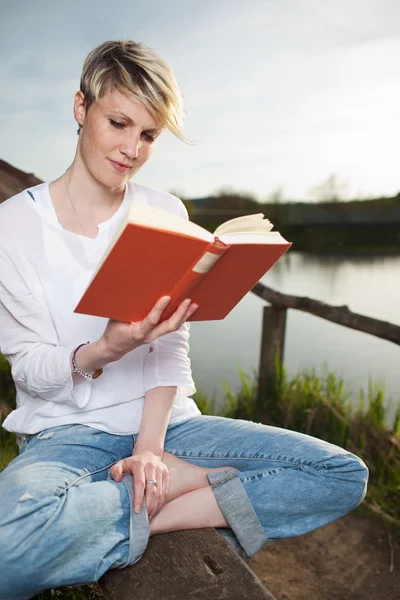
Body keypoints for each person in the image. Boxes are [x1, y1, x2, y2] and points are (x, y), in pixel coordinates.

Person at [0, 40, 368, 599]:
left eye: (147, 135)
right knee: (7, 553)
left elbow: (170, 349)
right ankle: (171, 501)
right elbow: (28, 373)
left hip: (172, 430)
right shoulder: (13, 227)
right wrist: (105, 348)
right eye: (118, 123)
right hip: (66, 435)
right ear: (81, 107)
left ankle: (149, 507)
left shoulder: (165, 212)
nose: (130, 149)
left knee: (341, 475)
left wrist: (150, 449)